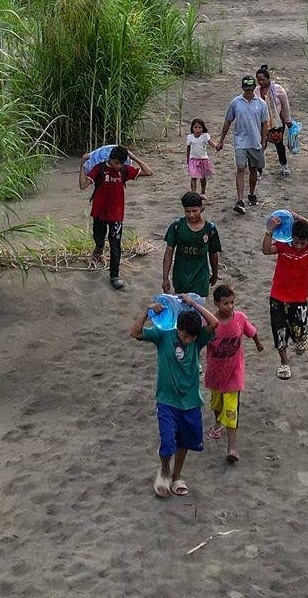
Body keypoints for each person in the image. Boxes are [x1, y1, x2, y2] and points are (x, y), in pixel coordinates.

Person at [133, 295, 220, 498]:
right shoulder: (163, 335)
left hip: (190, 401)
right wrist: (147, 311)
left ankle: (177, 475)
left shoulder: (197, 340)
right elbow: (134, 332)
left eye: (192, 337)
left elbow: (213, 323)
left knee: (185, 441)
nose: (189, 340)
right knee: (167, 441)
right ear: (178, 329)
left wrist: (192, 304)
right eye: (186, 336)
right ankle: (164, 470)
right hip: (166, 400)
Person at [202, 283, 263, 464]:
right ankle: (217, 423)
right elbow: (200, 340)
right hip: (215, 372)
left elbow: (252, 332)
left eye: (232, 303)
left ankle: (231, 448)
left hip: (234, 372)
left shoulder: (240, 319)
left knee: (231, 410)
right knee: (216, 404)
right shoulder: (211, 323)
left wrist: (258, 344)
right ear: (216, 304)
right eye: (225, 304)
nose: (229, 307)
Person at [81, 144, 150, 290]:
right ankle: (98, 249)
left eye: (120, 163)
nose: (118, 166)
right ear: (110, 159)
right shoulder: (99, 168)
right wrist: (82, 166)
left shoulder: (124, 170)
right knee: (99, 238)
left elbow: (148, 172)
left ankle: (114, 275)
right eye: (115, 163)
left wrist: (134, 157)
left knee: (115, 245)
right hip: (99, 212)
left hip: (116, 214)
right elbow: (83, 185)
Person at [262, 213, 308, 380]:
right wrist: (270, 230)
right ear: (291, 237)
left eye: (303, 242)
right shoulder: (283, 245)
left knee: (298, 329)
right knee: (279, 330)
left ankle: (301, 336)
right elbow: (266, 250)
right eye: (296, 241)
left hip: (299, 298)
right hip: (278, 295)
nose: (300, 245)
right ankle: (284, 362)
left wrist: (295, 216)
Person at [213, 76, 269, 216]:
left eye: (251, 89)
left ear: (254, 89)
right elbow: (228, 121)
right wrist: (221, 140)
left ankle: (251, 193)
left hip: (255, 142)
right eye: (246, 89)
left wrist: (263, 141)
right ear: (243, 89)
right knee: (240, 168)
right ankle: (240, 200)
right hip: (240, 142)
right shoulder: (236, 103)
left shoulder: (261, 104)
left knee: (253, 169)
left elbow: (264, 124)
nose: (249, 92)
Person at [162, 190, 222, 300]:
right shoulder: (177, 226)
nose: (191, 215)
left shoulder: (210, 229)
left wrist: (215, 273)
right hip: (181, 277)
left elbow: (213, 253)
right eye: (187, 211)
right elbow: (169, 252)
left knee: (198, 310)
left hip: (200, 278)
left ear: (201, 208)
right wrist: (165, 277)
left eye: (195, 211)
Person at [255, 65, 293, 179]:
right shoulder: (256, 91)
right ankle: (259, 170)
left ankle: (284, 165)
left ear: (268, 79)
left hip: (277, 122)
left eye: (263, 80)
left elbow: (285, 106)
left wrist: (288, 121)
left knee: (279, 143)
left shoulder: (278, 89)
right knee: (261, 145)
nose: (261, 82)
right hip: (262, 122)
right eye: (259, 80)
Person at [184, 118, 213, 195]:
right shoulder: (190, 137)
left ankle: (203, 192)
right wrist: (188, 159)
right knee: (193, 177)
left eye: (199, 127)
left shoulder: (205, 136)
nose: (197, 129)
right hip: (193, 160)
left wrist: (216, 146)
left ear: (202, 128)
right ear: (192, 128)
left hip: (203, 159)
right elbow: (188, 148)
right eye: (195, 127)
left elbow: (211, 142)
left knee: (203, 178)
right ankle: (193, 193)